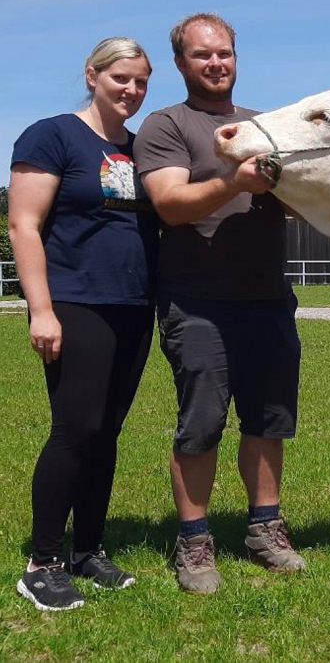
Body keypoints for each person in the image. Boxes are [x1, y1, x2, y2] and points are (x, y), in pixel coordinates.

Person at [134, 12, 304, 595]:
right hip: (198, 303)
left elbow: (296, 200)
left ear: (237, 57)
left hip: (269, 300)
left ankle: (265, 528)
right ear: (181, 63)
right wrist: (238, 180)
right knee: (201, 425)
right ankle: (195, 541)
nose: (216, 63)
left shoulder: (265, 124)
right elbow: (171, 204)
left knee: (269, 422)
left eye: (224, 53)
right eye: (202, 55)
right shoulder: (167, 126)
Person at [9, 37, 158, 611]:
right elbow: (25, 225)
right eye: (121, 78)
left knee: (107, 431)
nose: (132, 90)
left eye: (141, 82)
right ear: (92, 75)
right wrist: (41, 309)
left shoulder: (141, 147)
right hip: (75, 302)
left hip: (132, 304)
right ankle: (42, 561)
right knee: (75, 428)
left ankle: (88, 549)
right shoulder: (52, 135)